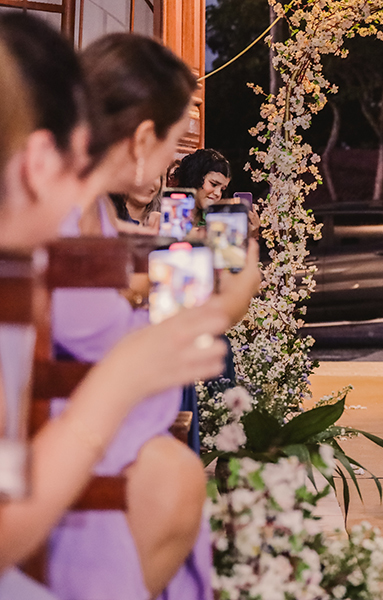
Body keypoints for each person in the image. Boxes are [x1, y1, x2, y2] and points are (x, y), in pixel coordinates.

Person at [0, 15, 233, 596]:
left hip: (74, 426)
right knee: (175, 478)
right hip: (78, 428)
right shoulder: (54, 244)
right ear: (37, 163)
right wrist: (224, 296)